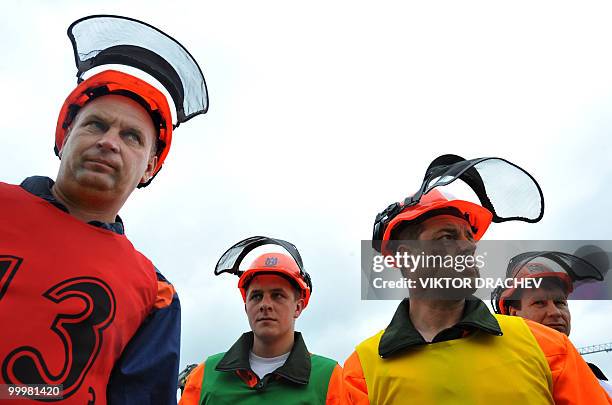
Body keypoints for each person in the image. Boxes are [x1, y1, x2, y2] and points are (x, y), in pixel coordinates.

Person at [0, 15, 207, 404]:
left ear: (149, 166)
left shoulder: (155, 293)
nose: (110, 142)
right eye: (96, 125)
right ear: (64, 137)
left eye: (131, 136)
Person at [344, 155, 611, 404]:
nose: (469, 247)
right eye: (447, 237)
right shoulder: (360, 372)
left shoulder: (549, 348)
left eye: (469, 236)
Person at [180, 236, 343, 404]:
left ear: (298, 307)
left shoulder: (329, 378)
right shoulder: (205, 375)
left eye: (277, 295)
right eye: (256, 296)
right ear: (246, 307)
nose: (265, 305)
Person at [492, 255, 612, 396]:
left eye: (560, 303)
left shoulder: (599, 382)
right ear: (513, 313)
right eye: (539, 303)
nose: (555, 312)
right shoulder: (497, 376)